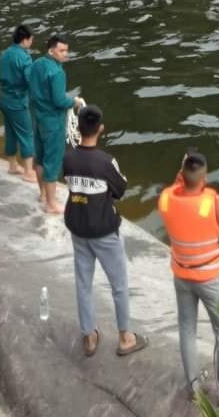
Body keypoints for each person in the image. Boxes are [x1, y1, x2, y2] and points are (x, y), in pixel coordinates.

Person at [62, 104, 148, 359]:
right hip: (104, 231)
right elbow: (120, 190)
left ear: (78, 128)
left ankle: (89, 336)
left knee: (83, 283)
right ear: (100, 129)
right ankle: (125, 337)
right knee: (119, 285)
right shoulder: (105, 162)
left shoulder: (68, 158)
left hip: (77, 228)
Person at [158, 150, 219, 405]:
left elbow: (174, 190)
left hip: (182, 276)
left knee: (187, 328)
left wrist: (181, 176)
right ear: (204, 177)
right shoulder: (214, 202)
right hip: (211, 278)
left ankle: (193, 387)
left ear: (181, 173)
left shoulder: (166, 199)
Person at [28, 33, 79, 214]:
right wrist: (74, 102)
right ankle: (51, 204)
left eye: (66, 50)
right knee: (52, 162)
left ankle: (42, 194)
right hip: (53, 122)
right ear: (52, 50)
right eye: (61, 50)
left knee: (40, 157)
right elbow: (59, 101)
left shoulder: (36, 65)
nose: (65, 54)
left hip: (37, 117)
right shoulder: (57, 72)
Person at [0, 24, 36, 182]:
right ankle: (28, 171)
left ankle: (13, 166)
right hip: (17, 102)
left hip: (4, 100)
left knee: (11, 133)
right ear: (26, 40)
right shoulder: (24, 57)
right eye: (31, 39)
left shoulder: (5, 54)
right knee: (27, 134)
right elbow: (30, 80)